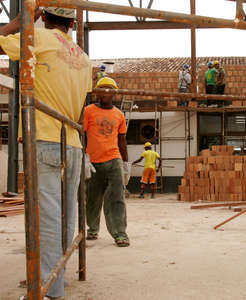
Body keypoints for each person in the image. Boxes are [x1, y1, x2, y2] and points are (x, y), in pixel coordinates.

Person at [0, 6, 92, 299]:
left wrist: (18, 23)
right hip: (73, 141)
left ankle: (50, 288)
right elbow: (78, 104)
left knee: (48, 217)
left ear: (44, 19)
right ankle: (56, 278)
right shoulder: (83, 58)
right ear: (72, 24)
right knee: (66, 216)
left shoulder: (37, 38)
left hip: (44, 138)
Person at [84, 77, 130, 247]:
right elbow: (81, 134)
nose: (105, 92)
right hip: (93, 162)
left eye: (109, 89)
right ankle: (93, 228)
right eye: (102, 89)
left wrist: (126, 164)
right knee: (93, 199)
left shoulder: (119, 114)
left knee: (117, 197)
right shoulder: (88, 111)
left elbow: (122, 140)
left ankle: (120, 233)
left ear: (114, 94)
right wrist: (83, 156)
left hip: (113, 160)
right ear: (97, 93)